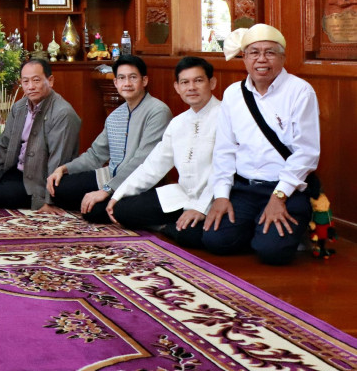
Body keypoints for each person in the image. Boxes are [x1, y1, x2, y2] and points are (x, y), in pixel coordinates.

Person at [203, 24, 320, 265]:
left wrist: (279, 197)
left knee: (272, 252)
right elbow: (224, 150)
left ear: (283, 58)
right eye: (254, 52)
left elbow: (307, 153)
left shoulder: (300, 91)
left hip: (285, 189)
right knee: (215, 240)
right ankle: (257, 227)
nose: (261, 59)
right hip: (245, 189)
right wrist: (221, 195)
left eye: (270, 52)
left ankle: (271, 232)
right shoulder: (233, 94)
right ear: (244, 58)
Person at [105, 56, 221, 248]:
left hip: (213, 199)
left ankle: (171, 226)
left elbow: (224, 171)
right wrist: (119, 193)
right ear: (177, 87)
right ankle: (173, 225)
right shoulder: (178, 123)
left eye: (198, 80)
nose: (191, 87)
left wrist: (200, 208)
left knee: (192, 235)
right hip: (182, 195)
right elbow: (153, 165)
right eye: (185, 82)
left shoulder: (225, 117)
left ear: (212, 83)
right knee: (121, 209)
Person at [47, 54, 171, 223]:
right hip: (111, 176)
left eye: (133, 77)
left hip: (139, 182)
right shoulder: (115, 116)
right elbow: (95, 155)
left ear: (144, 81)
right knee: (58, 188)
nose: (127, 83)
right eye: (122, 78)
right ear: (115, 83)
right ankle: (96, 201)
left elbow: (142, 160)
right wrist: (64, 169)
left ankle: (109, 204)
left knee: (94, 211)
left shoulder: (158, 112)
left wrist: (107, 190)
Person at [0, 58, 81, 212]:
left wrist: (47, 201)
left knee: (0, 195)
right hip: (20, 171)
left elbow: (59, 159)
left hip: (43, 179)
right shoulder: (19, 108)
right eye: (25, 81)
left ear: (50, 81)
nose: (31, 87)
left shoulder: (63, 113)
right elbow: (3, 146)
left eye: (36, 80)